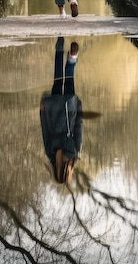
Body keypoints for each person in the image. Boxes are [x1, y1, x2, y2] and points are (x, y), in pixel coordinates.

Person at [40, 37, 83, 183]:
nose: (65, 163)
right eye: (66, 166)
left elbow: (45, 130)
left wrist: (42, 112)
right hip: (69, 109)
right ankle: (72, 57)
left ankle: (60, 46)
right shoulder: (75, 152)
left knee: (58, 77)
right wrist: (80, 108)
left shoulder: (50, 153)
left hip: (53, 109)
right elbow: (79, 127)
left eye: (62, 166)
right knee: (69, 78)